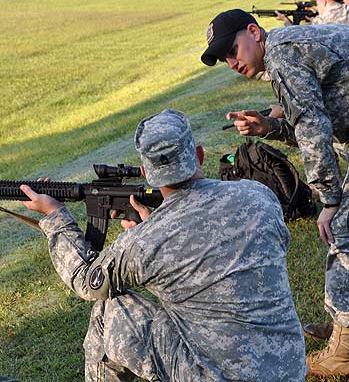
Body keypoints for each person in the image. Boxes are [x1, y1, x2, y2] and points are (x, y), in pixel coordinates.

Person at [19, 108, 307, 382]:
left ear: (145, 172)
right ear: (199, 155)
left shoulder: (146, 242)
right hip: (288, 367)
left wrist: (54, 216)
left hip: (217, 375)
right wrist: (155, 229)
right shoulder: (258, 196)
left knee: (110, 309)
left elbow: (87, 281)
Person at [201, 9, 349, 380]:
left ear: (254, 32)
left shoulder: (283, 53)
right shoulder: (286, 49)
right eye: (223, 57)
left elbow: (312, 125)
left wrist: (329, 198)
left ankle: (343, 352)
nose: (231, 61)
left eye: (232, 49)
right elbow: (315, 117)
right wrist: (270, 126)